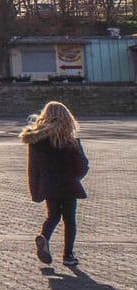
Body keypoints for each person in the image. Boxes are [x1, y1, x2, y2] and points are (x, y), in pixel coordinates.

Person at [21, 101, 90, 267]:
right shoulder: (70, 141)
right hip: (68, 183)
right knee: (69, 218)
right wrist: (76, 177)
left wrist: (35, 191)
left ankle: (44, 237)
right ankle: (68, 255)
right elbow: (82, 165)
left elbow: (33, 169)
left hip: (48, 184)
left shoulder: (36, 142)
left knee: (53, 215)